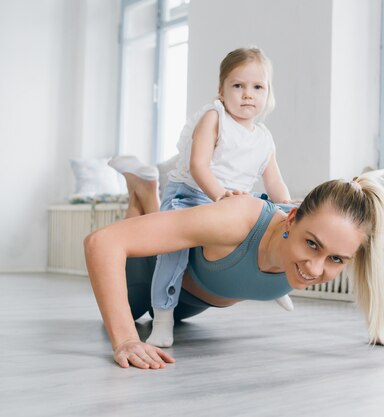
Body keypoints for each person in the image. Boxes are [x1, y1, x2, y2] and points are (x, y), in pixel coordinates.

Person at [84, 172, 384, 370]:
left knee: (172, 231)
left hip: (190, 306)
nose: (315, 268)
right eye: (312, 245)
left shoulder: (340, 238)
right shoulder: (238, 220)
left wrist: (381, 323)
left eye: (337, 260)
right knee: (131, 290)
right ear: (291, 218)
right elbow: (101, 243)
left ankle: (145, 200)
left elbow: (380, 258)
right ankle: (143, 194)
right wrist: (127, 340)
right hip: (148, 279)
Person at [108, 47, 294, 348]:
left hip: (232, 203)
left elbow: (276, 184)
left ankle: (272, 282)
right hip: (192, 194)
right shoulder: (214, 117)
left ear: (268, 93)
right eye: (238, 85)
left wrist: (290, 211)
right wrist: (220, 196)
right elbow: (199, 165)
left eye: (257, 87)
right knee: (174, 251)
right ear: (221, 91)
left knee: (269, 215)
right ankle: (164, 316)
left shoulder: (263, 138)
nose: (248, 94)